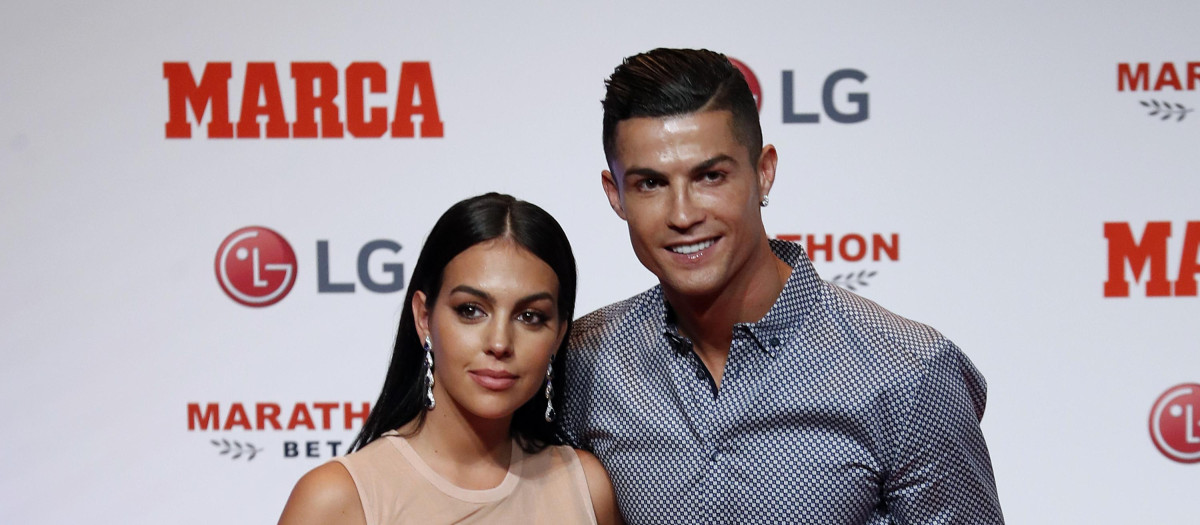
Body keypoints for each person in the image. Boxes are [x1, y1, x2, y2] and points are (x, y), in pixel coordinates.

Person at [559, 48, 1004, 524]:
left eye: (711, 176)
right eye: (651, 183)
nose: (683, 215)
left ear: (764, 171)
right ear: (616, 195)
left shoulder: (908, 372)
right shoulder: (583, 361)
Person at [279, 193, 620, 525]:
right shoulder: (337, 499)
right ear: (424, 318)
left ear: (559, 335)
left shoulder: (587, 488)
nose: (500, 343)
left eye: (530, 316)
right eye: (471, 311)